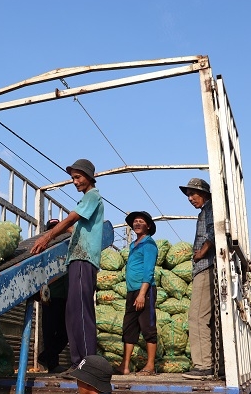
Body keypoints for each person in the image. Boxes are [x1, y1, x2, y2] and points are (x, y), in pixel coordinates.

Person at [31, 159, 105, 375]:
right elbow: (76, 228)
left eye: (78, 177)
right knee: (73, 313)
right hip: (77, 259)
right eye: (73, 178)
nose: (75, 181)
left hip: (84, 259)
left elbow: (70, 220)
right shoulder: (88, 200)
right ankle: (78, 362)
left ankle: (85, 363)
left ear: (89, 177)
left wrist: (47, 237)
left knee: (81, 312)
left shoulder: (93, 196)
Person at [178, 178, 224, 380]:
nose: (190, 198)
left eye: (192, 194)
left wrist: (201, 253)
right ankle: (217, 364)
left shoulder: (209, 209)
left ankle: (203, 365)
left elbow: (215, 233)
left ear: (203, 193)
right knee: (211, 319)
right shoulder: (205, 211)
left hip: (206, 267)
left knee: (196, 317)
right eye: (188, 195)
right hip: (209, 266)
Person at [114, 211, 158, 376]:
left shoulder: (149, 244)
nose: (137, 224)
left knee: (147, 327)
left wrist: (142, 294)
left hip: (144, 291)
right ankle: (124, 366)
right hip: (132, 292)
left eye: (141, 221)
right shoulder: (133, 245)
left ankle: (150, 366)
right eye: (135, 222)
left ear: (148, 225)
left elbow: (149, 271)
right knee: (129, 328)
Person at [37, 218, 69, 373]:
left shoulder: (67, 247)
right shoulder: (44, 249)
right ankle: (52, 364)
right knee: (49, 331)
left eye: (57, 228)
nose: (55, 231)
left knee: (66, 331)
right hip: (50, 296)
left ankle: (46, 356)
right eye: (52, 228)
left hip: (67, 295)